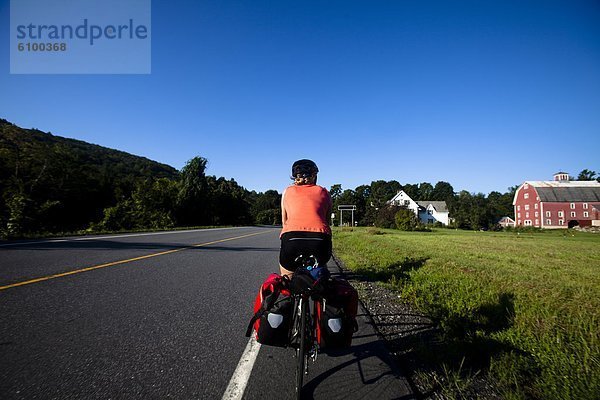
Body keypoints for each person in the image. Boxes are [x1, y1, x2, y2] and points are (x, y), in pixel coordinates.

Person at [279, 159, 332, 277]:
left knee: (287, 278)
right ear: (314, 175)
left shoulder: (287, 192)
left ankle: (289, 286)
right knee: (321, 272)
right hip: (320, 240)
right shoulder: (325, 192)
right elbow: (326, 221)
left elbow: (284, 221)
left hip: (291, 239)